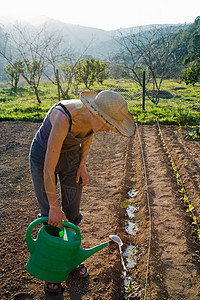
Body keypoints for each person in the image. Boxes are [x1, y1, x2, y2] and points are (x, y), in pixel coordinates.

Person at [29, 90, 135, 294]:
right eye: (108, 124)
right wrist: (53, 206)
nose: (109, 130)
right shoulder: (64, 117)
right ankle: (53, 268)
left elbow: (88, 135)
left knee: (71, 214)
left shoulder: (92, 118)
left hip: (71, 157)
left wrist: (82, 165)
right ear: (94, 113)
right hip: (43, 158)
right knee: (52, 218)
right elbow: (48, 169)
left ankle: (70, 257)